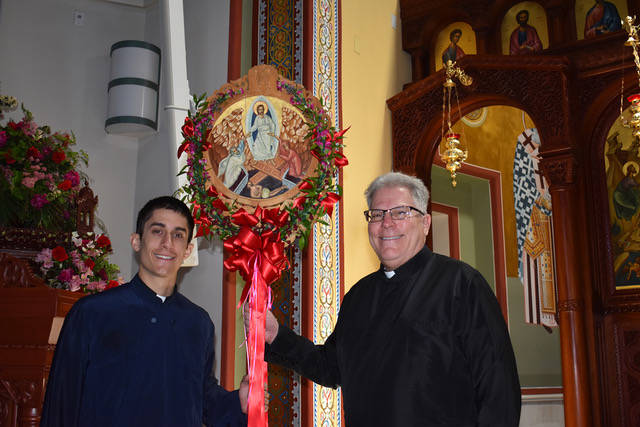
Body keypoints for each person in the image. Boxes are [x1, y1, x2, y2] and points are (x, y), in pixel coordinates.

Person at [250, 172, 521, 426]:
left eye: (401, 212)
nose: (386, 223)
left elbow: (499, 390)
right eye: (377, 214)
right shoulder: (357, 297)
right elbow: (331, 368)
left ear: (425, 222)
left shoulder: (462, 285)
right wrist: (276, 335)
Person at [41, 196, 248, 427]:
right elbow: (61, 403)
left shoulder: (198, 323)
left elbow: (202, 398)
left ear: (188, 250)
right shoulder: (92, 313)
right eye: (157, 231)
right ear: (137, 241)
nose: (167, 243)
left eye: (178, 235)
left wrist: (239, 402)